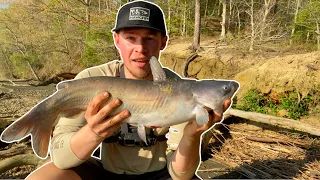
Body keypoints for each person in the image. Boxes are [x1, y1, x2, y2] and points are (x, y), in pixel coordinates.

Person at [27, 1, 230, 180]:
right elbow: (62, 159)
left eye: (149, 38)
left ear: (163, 42)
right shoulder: (91, 81)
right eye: (130, 38)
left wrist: (192, 136)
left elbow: (181, 175)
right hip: (105, 172)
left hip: (161, 172)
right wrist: (93, 133)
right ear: (117, 40)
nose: (140, 48)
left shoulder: (180, 89)